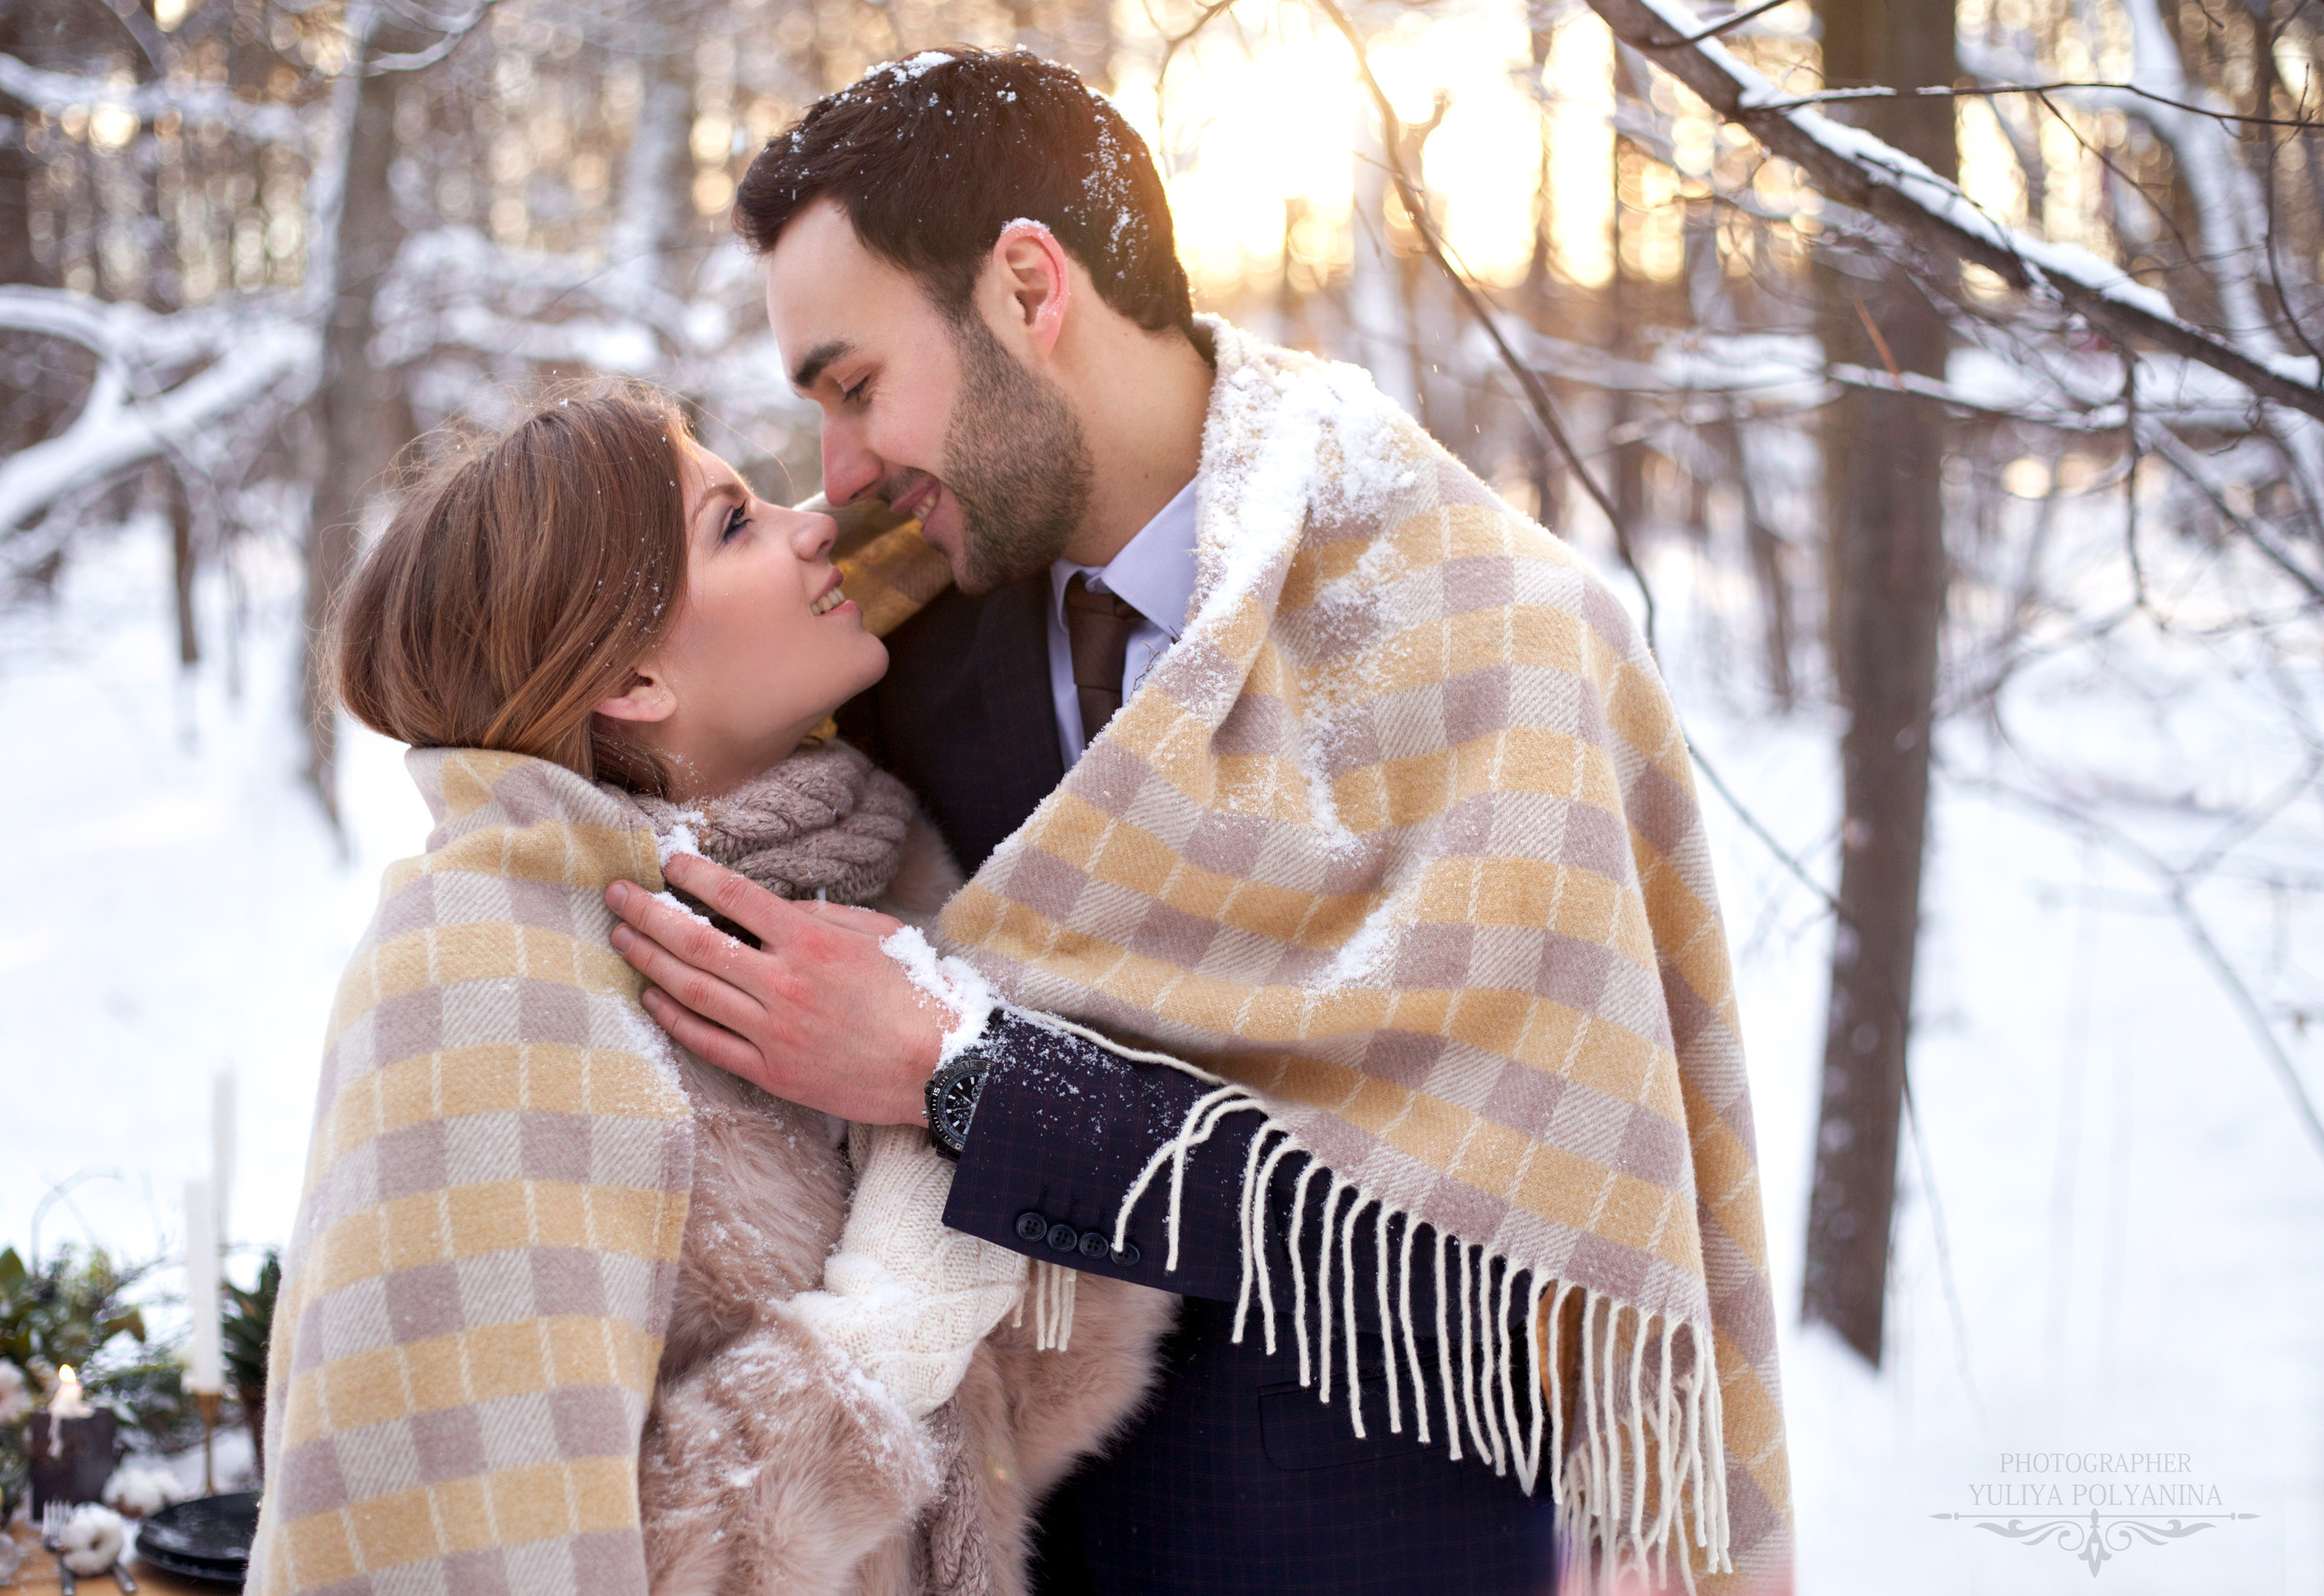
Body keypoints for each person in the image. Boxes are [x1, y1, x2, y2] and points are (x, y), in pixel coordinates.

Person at [606, 47, 1792, 1596]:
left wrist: (967, 1071)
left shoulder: (1492, 644)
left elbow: (1519, 1287)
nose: (834, 478)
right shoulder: (908, 637)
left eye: (854, 386)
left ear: (1029, 289)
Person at [247, 384, 1174, 1596]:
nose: (812, 525)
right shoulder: (483, 979)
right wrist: (881, 1332)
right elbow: (505, 1565)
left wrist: (975, 1108)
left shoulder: (860, 895)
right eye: (733, 523)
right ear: (631, 679)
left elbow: (987, 1463)